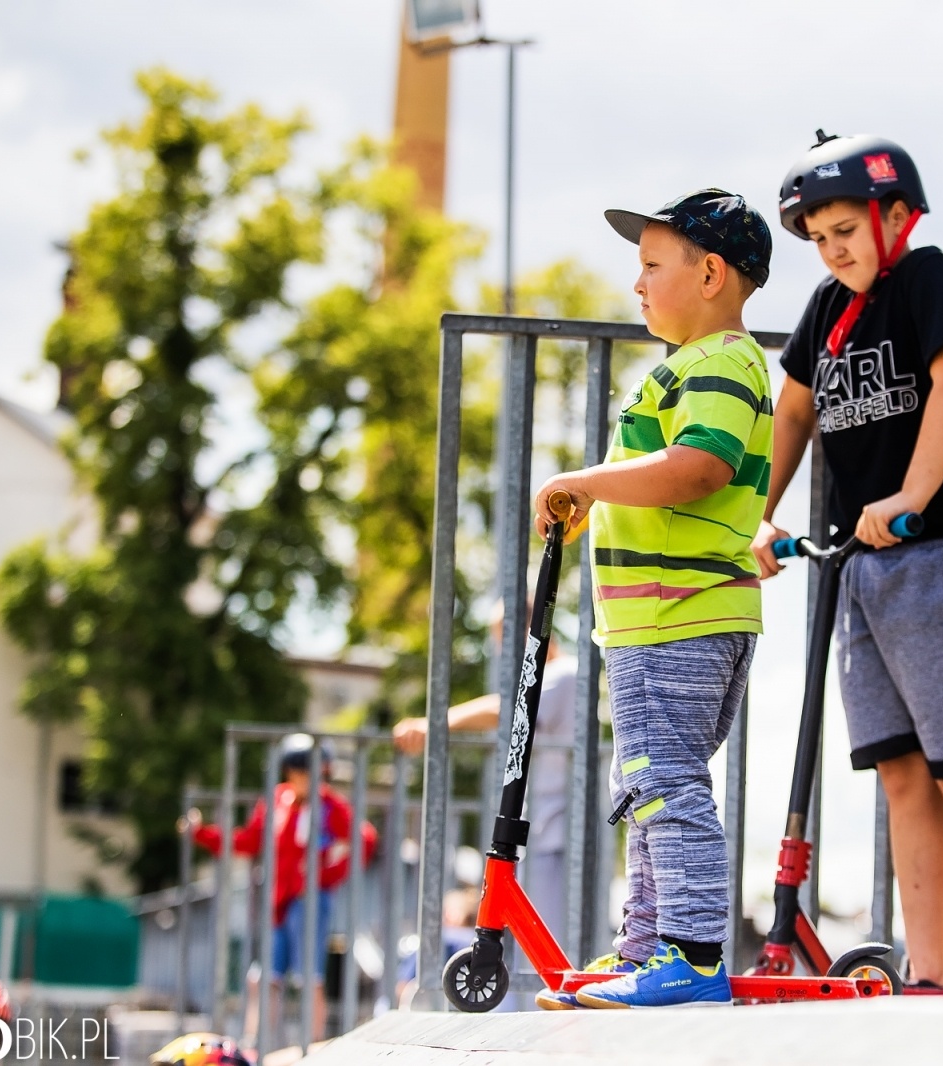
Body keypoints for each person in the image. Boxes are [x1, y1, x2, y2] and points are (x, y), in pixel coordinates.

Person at [754, 132, 943, 993]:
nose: (833, 250)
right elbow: (793, 413)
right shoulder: (828, 310)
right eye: (819, 238)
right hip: (863, 568)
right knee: (903, 776)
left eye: (846, 230)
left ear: (897, 215)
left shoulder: (927, 278)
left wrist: (911, 495)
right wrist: (758, 516)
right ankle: (936, 976)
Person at [528, 188, 774, 1009]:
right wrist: (596, 497)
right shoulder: (696, 364)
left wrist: (587, 479)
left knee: (664, 782)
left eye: (652, 266)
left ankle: (694, 957)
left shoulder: (721, 362)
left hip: (679, 615)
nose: (637, 284)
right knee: (647, 788)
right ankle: (646, 951)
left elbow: (699, 466)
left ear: (710, 275)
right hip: (655, 621)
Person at [392, 601, 576, 949]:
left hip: (557, 834)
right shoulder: (558, 675)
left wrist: (433, 723)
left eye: (504, 636)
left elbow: (510, 707)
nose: (501, 650)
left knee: (545, 943)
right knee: (528, 942)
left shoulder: (565, 673)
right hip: (540, 832)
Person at [185, 733, 377, 1041]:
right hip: (278, 901)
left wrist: (323, 874)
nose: (301, 779)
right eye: (296, 771)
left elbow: (364, 840)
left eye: (309, 771)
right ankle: (255, 1045)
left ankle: (313, 1046)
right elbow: (250, 840)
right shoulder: (277, 801)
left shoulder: (331, 807)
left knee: (308, 977)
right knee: (263, 978)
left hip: (309, 900)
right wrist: (203, 834)